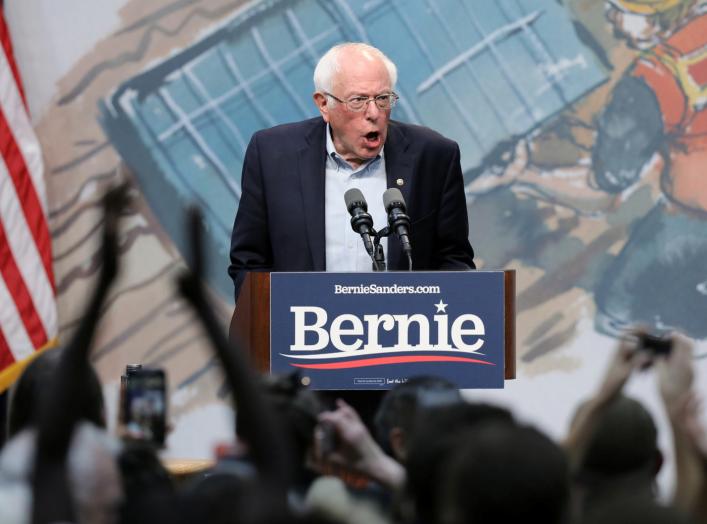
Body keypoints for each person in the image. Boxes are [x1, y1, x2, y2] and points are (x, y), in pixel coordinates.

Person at [228, 42, 475, 299]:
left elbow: (454, 260)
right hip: (303, 330)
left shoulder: (433, 155)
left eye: (382, 99)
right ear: (324, 104)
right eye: (358, 100)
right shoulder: (272, 155)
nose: (374, 113)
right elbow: (249, 263)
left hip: (405, 329)